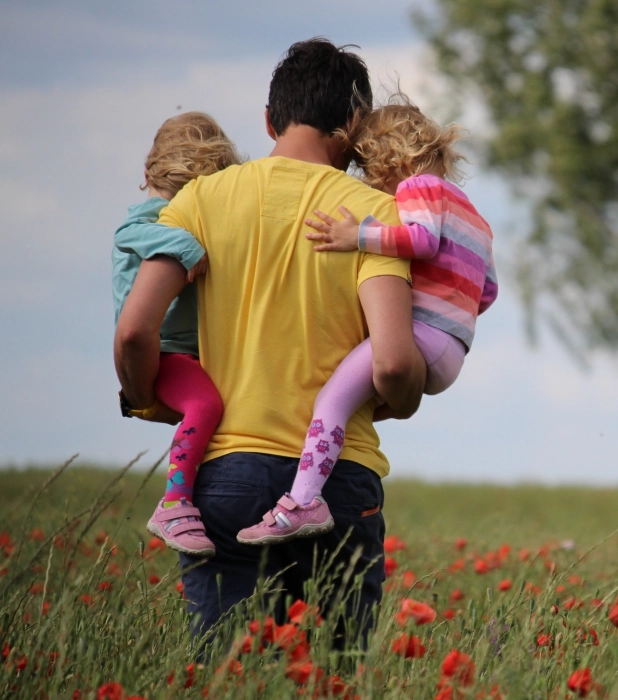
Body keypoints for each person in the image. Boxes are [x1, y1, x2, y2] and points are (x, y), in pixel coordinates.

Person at [114, 38, 426, 643]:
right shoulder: (374, 215)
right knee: (334, 677)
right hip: (338, 482)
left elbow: (133, 330)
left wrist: (148, 397)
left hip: (225, 474)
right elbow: (391, 362)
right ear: (354, 124)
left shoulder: (199, 201)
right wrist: (405, 397)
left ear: (268, 120)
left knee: (230, 672)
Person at [238, 99, 497, 544]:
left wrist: (355, 235)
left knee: (331, 401)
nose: (370, 181)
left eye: (368, 168)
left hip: (421, 336)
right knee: (353, 404)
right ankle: (317, 477)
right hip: (453, 349)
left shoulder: (418, 188)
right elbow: (487, 291)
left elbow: (420, 239)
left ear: (389, 158)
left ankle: (303, 502)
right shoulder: (475, 216)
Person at [112, 112, 241, 557]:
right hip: (165, 352)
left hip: (187, 352)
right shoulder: (153, 218)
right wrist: (187, 246)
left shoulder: (175, 212)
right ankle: (175, 502)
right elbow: (129, 232)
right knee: (205, 404)